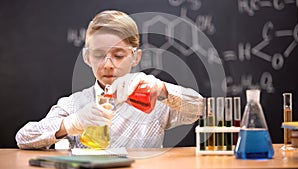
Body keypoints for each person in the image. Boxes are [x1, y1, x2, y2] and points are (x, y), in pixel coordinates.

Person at [15, 10, 204, 149]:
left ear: (136, 57)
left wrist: (163, 89)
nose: (107, 64)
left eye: (119, 55)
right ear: (87, 57)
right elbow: (23, 138)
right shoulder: (74, 104)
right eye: (99, 55)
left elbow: (201, 109)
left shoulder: (154, 101)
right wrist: (72, 123)